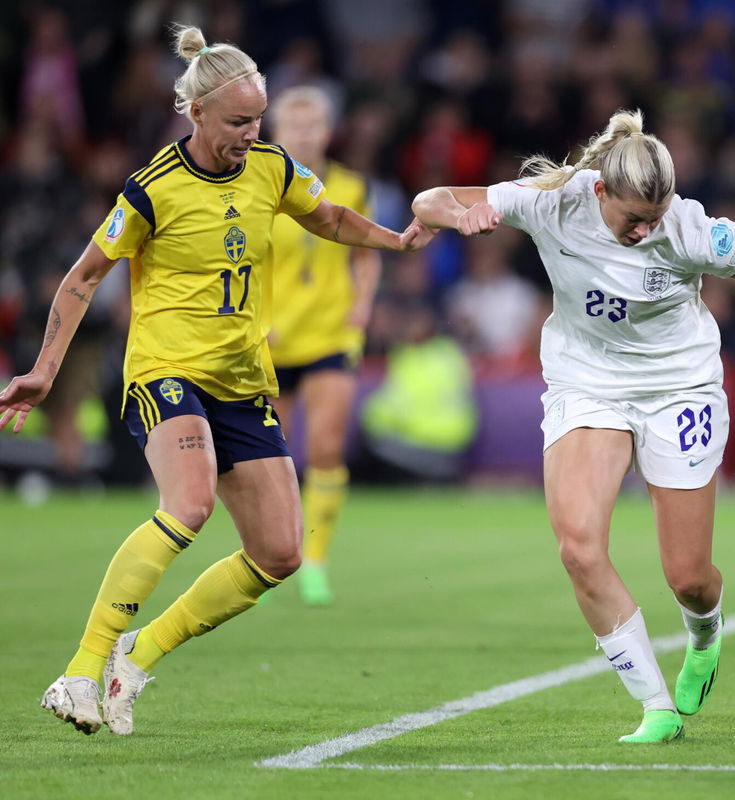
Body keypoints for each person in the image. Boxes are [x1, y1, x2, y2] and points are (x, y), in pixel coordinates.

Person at [0, 25, 433, 736]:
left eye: (257, 118)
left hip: (241, 376)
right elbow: (83, 279)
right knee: (192, 504)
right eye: (238, 120)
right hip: (166, 370)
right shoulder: (152, 189)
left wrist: (396, 239)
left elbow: (326, 216)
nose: (251, 132)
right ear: (194, 112)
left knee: (281, 552)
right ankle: (78, 670)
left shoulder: (271, 167)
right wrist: (45, 372)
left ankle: (139, 656)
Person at [411, 109, 735, 743]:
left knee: (688, 576)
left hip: (679, 387)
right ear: (601, 190)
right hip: (588, 385)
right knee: (579, 548)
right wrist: (458, 214)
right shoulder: (552, 205)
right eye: (633, 217)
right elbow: (430, 198)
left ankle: (705, 630)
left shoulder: (693, 229)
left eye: (655, 216)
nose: (645, 229)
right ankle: (657, 707)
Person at [266, 86, 381, 605]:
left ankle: (315, 561)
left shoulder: (352, 187)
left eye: (313, 125)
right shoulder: (259, 187)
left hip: (330, 333)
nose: (304, 134)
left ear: (328, 132)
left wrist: (362, 306)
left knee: (327, 447)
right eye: (294, 125)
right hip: (271, 337)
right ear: (276, 133)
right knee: (268, 458)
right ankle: (266, 559)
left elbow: (365, 250)